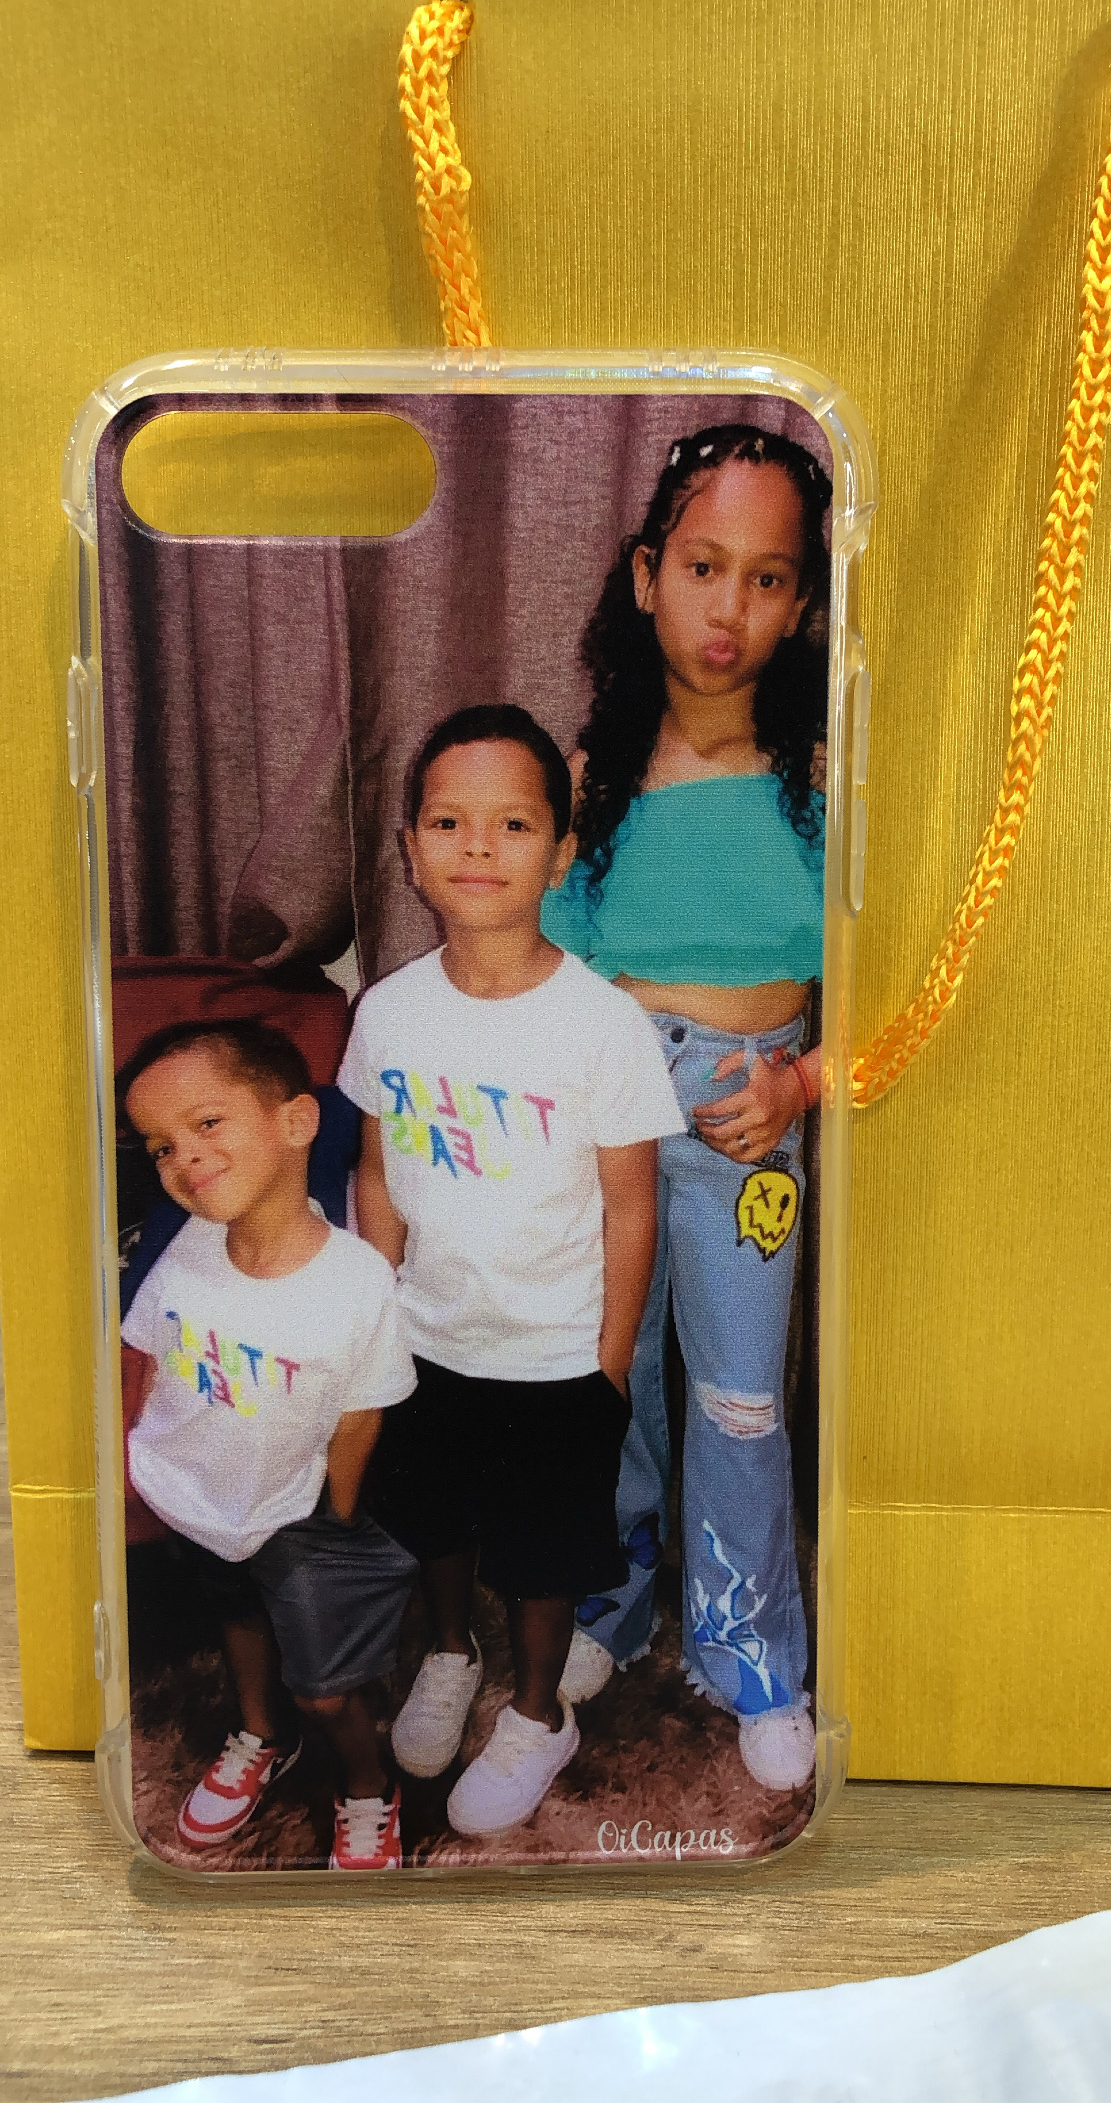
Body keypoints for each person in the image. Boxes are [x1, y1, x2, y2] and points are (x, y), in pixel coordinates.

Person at [541, 423, 831, 1793]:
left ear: (803, 600)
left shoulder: (822, 773)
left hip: (743, 1110)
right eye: (703, 566)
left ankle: (751, 1648)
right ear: (647, 574)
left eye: (767, 578)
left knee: (739, 1399)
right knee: (604, 1379)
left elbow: (903, 978)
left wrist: (800, 1083)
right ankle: (606, 1604)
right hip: (604, 1105)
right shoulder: (591, 772)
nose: (730, 608)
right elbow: (546, 964)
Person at [340, 704, 684, 1837]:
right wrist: (374, 1315)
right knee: (434, 1520)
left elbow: (631, 1207)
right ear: (411, 850)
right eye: (449, 822)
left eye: (515, 824)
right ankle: (450, 1652)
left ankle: (539, 1712)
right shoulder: (389, 1012)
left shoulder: (603, 1025)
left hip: (555, 1353)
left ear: (562, 851)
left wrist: (610, 1363)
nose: (479, 846)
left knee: (544, 1557)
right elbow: (379, 1175)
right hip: (426, 1337)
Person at [119, 1019, 418, 1870]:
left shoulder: (355, 1279)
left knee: (326, 1689)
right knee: (238, 1616)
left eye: (206, 1123)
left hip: (299, 1510)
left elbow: (363, 1410)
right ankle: (260, 1734)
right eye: (161, 1146)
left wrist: (337, 1512)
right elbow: (150, 1351)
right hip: (197, 1493)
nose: (184, 1158)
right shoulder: (183, 1246)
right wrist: (154, 1461)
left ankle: (368, 1784)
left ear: (295, 1122)